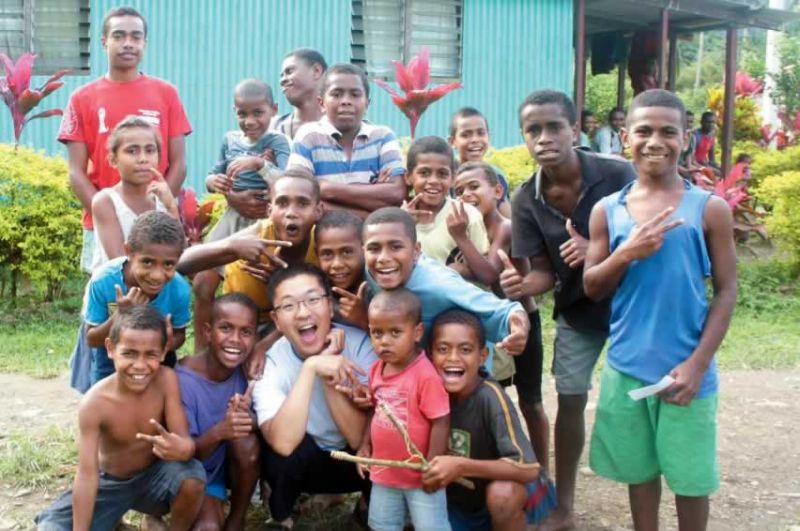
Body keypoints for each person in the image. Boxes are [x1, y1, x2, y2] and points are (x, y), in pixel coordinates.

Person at [583, 89, 736, 531]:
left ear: (685, 138)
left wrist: (697, 364)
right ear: (625, 136)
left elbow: (726, 291)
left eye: (668, 132)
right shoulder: (607, 211)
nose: (656, 141)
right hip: (628, 365)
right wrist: (626, 252)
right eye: (644, 131)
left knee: (691, 480)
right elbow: (592, 286)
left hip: (687, 369)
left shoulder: (710, 209)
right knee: (640, 472)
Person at [503, 89, 636, 530]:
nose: (543, 137)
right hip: (578, 310)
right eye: (533, 130)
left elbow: (659, 228)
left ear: (574, 130)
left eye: (554, 127)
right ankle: (564, 505)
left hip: (634, 306)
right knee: (571, 398)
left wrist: (598, 247)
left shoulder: (621, 175)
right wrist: (521, 284)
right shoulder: (526, 200)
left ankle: (649, 495)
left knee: (643, 402)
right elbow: (543, 272)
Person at [35, 306, 205, 530]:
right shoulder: (94, 403)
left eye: (151, 354)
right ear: (111, 349)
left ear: (164, 352)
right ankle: (113, 519)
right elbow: (87, 475)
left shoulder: (167, 380)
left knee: (192, 477)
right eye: (129, 353)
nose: (140, 365)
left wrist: (181, 448)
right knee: (52, 525)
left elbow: (185, 444)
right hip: (109, 484)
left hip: (153, 479)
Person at [59, 6, 191, 273]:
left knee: (157, 291)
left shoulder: (166, 93)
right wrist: (107, 211)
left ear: (145, 43)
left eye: (136, 36)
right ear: (104, 41)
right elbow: (76, 171)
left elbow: (179, 163)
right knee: (110, 292)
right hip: (104, 219)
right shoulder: (82, 98)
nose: (128, 43)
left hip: (155, 219)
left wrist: (158, 211)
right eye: (119, 36)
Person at [252, 264, 376, 528]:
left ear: (330, 306)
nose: (303, 312)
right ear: (275, 320)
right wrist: (312, 368)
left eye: (313, 300)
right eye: (288, 306)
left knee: (382, 438)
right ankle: (281, 515)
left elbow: (358, 439)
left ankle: (367, 506)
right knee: (278, 447)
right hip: (305, 462)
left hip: (355, 463)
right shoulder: (270, 363)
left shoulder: (363, 346)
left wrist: (329, 371)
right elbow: (284, 444)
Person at [453, 161, 550, 471]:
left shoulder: (504, 227)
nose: (466, 194)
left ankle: (542, 471)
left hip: (522, 321)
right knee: (494, 398)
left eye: (473, 187)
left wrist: (461, 245)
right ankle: (501, 463)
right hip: (487, 328)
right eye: (459, 191)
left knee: (531, 401)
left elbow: (487, 272)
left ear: (497, 191)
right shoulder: (467, 228)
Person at [425, 309, 556, 531]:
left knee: (502, 495)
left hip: (508, 497)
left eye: (465, 349)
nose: (453, 358)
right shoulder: (426, 390)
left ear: (482, 356)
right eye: (443, 349)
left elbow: (528, 469)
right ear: (430, 355)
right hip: (460, 505)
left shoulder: (490, 397)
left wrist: (461, 466)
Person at [193, 78, 290, 349]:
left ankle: (263, 348)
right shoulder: (230, 139)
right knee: (202, 280)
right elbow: (215, 172)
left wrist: (260, 164)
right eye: (242, 113)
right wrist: (215, 183)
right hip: (232, 218)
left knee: (258, 287)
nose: (249, 121)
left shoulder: (280, 141)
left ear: (273, 109)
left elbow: (287, 181)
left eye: (257, 113)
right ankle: (202, 351)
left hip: (264, 223)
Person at [362, 207, 530, 358]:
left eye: (396, 247)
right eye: (374, 249)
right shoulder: (369, 273)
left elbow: (508, 311)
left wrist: (519, 329)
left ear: (416, 251)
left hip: (459, 374)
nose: (383, 258)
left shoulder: (440, 285)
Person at [357, 289, 451, 530]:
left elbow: (441, 421)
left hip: (420, 476)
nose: (384, 341)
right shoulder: (377, 369)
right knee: (382, 525)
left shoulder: (425, 375)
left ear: (417, 332)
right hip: (384, 473)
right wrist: (364, 444)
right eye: (377, 333)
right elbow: (374, 411)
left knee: (431, 526)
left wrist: (433, 466)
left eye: (395, 332)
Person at [176, 293, 261, 530]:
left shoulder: (249, 370)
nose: (235, 340)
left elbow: (268, 422)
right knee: (208, 528)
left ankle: (237, 519)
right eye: (225, 328)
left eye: (246, 332)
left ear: (255, 337)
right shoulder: (182, 381)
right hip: (192, 474)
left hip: (227, 469)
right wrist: (221, 430)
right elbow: (186, 457)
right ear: (206, 332)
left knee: (247, 444)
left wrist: (247, 420)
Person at [83, 211, 190, 385]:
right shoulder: (104, 281)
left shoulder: (179, 290)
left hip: (158, 358)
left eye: (168, 264)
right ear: (129, 252)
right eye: (147, 262)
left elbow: (179, 334)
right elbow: (92, 339)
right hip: (111, 358)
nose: (156, 275)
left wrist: (167, 344)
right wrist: (120, 316)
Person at [287, 63, 406, 217]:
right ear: (321, 103)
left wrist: (326, 189)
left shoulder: (383, 137)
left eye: (355, 94)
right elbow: (299, 196)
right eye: (336, 94)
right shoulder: (308, 137)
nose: (346, 101)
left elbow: (396, 194)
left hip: (371, 238)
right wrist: (368, 209)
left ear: (367, 103)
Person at [90, 116, 178, 271]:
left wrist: (171, 206)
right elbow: (119, 263)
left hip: (155, 285)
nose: (143, 159)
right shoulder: (106, 201)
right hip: (116, 290)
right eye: (132, 151)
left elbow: (176, 252)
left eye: (150, 150)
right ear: (113, 160)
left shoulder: (162, 200)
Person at [403, 136, 492, 285]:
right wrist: (403, 225)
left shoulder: (467, 215)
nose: (433, 181)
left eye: (442, 174)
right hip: (412, 301)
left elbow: (487, 277)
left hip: (457, 302)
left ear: (453, 178)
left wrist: (461, 236)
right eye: (424, 173)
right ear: (408, 177)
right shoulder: (399, 219)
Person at [448, 107, 511, 217]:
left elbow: (508, 219)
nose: (475, 140)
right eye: (466, 135)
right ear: (452, 141)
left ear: (489, 137)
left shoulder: (496, 176)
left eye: (481, 133)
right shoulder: (446, 175)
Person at [315, 210, 368, 329]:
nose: (337, 264)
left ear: (364, 249)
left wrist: (363, 319)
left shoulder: (376, 288)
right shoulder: (316, 288)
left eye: (347, 252)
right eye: (327, 254)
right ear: (316, 254)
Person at [273, 48, 328, 140]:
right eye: (281, 75)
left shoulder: (343, 129)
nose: (282, 80)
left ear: (316, 71)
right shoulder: (274, 130)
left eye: (289, 72)